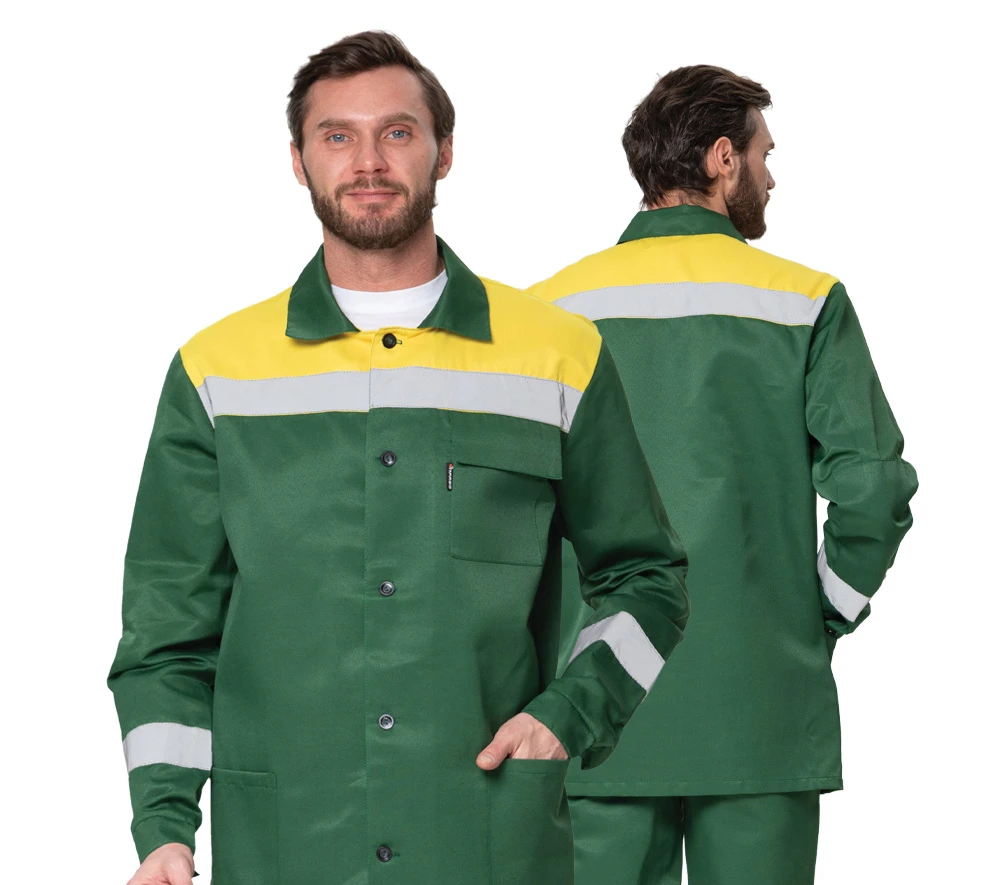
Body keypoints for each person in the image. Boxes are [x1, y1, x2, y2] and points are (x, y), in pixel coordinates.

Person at [108, 31, 690, 885]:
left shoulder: (557, 355)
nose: (368, 161)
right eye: (337, 136)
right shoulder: (218, 372)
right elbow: (167, 629)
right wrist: (164, 826)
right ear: (299, 161)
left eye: (398, 132)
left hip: (485, 841)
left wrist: (571, 713)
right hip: (288, 848)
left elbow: (645, 576)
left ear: (444, 152)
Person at [529, 65, 918, 885]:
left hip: (592, 709)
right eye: (765, 154)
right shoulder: (805, 301)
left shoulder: (549, 313)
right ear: (721, 158)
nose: (772, 176)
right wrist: (821, 612)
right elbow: (875, 487)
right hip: (759, 706)